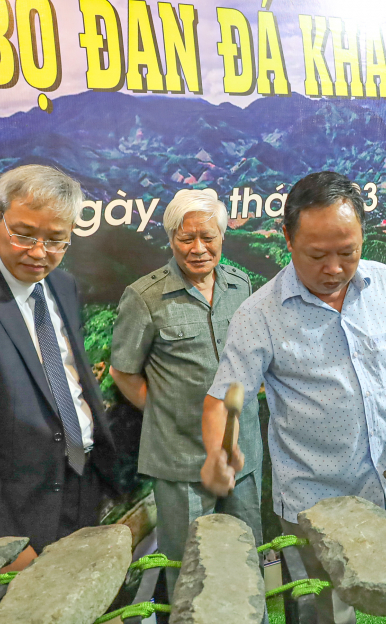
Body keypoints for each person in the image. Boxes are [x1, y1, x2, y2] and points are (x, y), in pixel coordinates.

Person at [200, 171, 386, 624]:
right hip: (313, 504)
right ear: (288, 238)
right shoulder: (259, 315)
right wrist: (218, 452)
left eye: (348, 252)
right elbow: (223, 399)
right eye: (317, 255)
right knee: (327, 614)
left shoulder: (382, 283)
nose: (335, 269)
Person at [0, 164, 117, 572]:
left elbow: (70, 379)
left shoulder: (63, 286)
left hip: (81, 486)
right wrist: (6, 543)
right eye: (24, 234)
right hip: (17, 510)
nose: (38, 252)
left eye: (56, 240)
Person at [109, 189, 260, 591]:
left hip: (241, 454)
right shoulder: (145, 297)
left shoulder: (239, 285)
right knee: (190, 571)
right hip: (181, 461)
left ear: (222, 237)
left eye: (207, 237)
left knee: (246, 561)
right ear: (171, 238)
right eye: (185, 237)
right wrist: (163, 414)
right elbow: (123, 372)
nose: (197, 248)